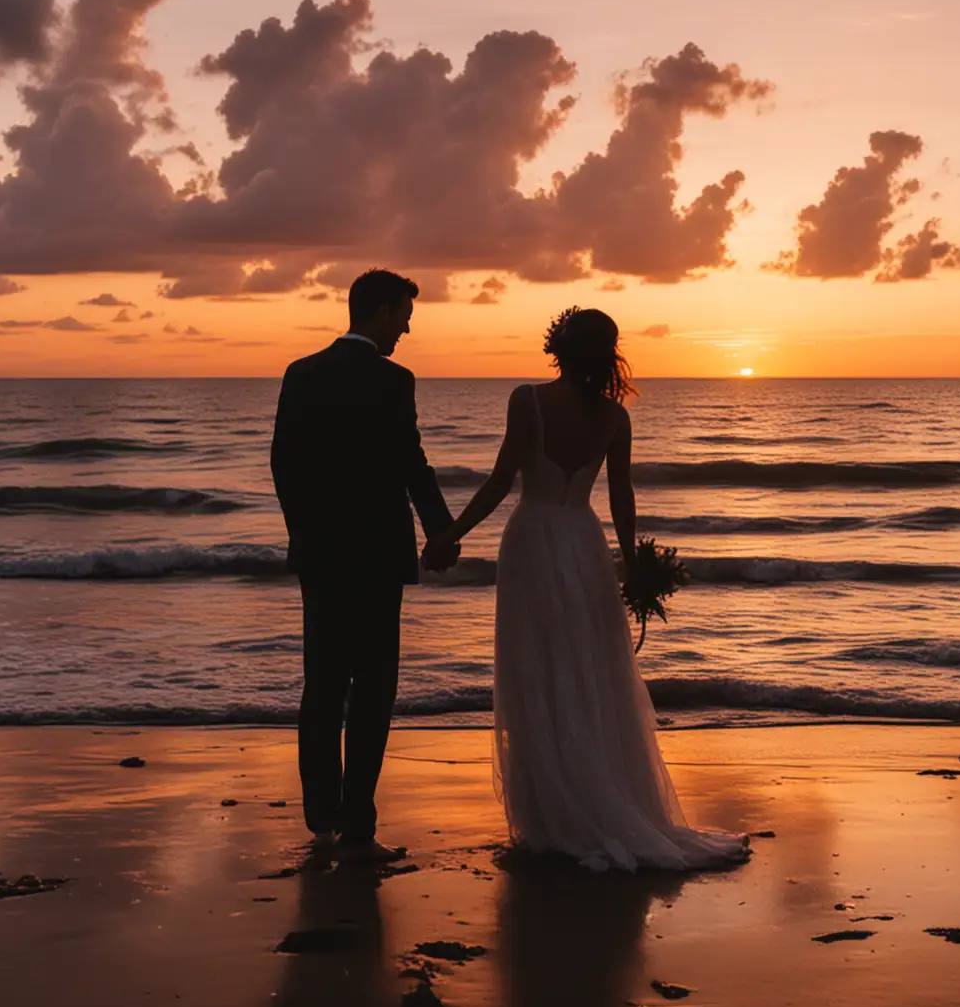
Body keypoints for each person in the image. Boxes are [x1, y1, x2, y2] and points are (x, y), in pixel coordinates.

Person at [427, 307, 750, 872]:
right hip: (583, 542)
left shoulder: (527, 401)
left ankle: (552, 814)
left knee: (538, 670)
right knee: (588, 672)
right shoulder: (614, 418)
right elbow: (621, 500)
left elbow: (503, 482)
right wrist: (631, 564)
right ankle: (596, 798)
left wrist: (449, 535)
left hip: (532, 542)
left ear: (559, 347)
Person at [269, 269, 458, 856]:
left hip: (321, 558)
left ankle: (321, 815)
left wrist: (305, 534)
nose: (405, 327)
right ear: (378, 312)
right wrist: (441, 531)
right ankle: (358, 828)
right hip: (377, 556)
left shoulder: (300, 374)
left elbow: (283, 464)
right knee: (373, 690)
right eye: (403, 315)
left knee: (322, 685)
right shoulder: (392, 380)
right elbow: (411, 463)